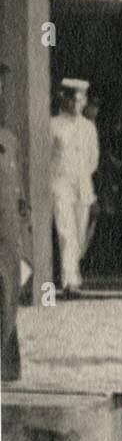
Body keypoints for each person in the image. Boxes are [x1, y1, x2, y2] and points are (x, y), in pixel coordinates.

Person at [49, 77, 98, 297]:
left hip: (82, 184)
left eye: (81, 101)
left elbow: (93, 158)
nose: (78, 105)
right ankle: (70, 281)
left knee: (79, 232)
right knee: (66, 232)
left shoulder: (88, 127)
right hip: (61, 184)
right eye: (74, 101)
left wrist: (84, 177)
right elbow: (48, 157)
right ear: (65, 100)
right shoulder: (53, 125)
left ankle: (73, 273)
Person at [1, 62, 24, 381]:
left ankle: (6, 366)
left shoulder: (9, 141)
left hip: (8, 239)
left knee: (7, 300)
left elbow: (19, 194)